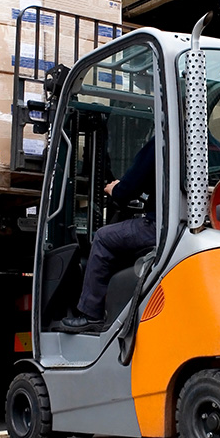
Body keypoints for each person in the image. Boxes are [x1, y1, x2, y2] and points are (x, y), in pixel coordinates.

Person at [61, 137, 157, 332]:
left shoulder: (164, 139)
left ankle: (91, 314)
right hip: (189, 226)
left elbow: (129, 187)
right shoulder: (213, 148)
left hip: (158, 227)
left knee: (104, 237)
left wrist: (116, 189)